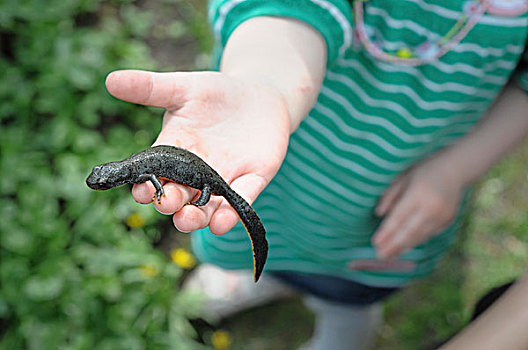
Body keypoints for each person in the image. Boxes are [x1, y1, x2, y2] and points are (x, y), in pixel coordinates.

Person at [104, 1, 528, 348]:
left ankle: (345, 323)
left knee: (349, 284)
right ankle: (264, 278)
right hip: (279, 171)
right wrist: (263, 84)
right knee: (245, 223)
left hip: (376, 206)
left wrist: (453, 170)